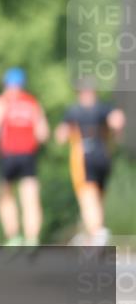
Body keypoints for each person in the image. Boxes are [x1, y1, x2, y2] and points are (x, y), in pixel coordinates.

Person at [54, 80, 126, 247]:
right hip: (104, 155)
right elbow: (118, 120)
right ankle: (92, 233)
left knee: (87, 196)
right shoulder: (104, 108)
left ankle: (97, 232)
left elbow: (60, 136)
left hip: (84, 157)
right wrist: (115, 136)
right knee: (98, 196)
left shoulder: (74, 111)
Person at [0, 68, 49, 250]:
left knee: (5, 197)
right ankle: (32, 238)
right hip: (28, 155)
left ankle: (13, 236)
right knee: (30, 198)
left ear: (5, 84)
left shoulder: (1, 102)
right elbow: (43, 134)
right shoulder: (32, 102)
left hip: (8, 154)